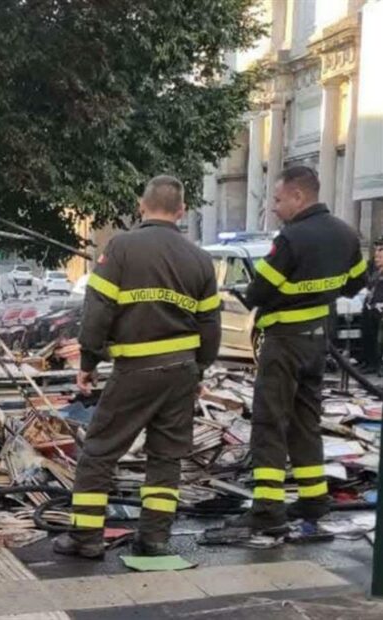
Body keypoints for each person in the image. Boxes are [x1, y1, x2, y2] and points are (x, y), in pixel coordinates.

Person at [53, 175, 221, 558]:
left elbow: (97, 311)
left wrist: (89, 360)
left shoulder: (122, 248)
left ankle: (86, 537)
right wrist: (200, 370)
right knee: (165, 458)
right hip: (181, 372)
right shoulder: (200, 259)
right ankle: (155, 538)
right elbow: (210, 326)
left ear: (141, 206)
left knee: (99, 451)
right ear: (181, 211)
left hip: (136, 370)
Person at [225, 166, 366, 534]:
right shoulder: (346, 234)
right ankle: (313, 498)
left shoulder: (291, 238)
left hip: (284, 341)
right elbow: (356, 284)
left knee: (270, 422)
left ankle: (268, 508)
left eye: (278, 199)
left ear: (298, 196)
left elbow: (258, 292)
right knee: (306, 421)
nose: (274, 207)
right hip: (318, 343)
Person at [358, 238, 383, 374]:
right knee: (368, 336)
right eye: (376, 255)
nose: (377, 257)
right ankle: (368, 362)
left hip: (379, 311)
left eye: (380, 255)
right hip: (370, 308)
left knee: (377, 340)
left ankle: (376, 364)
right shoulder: (375, 272)